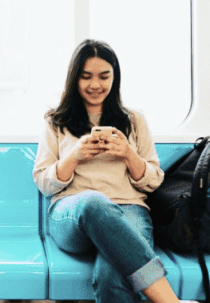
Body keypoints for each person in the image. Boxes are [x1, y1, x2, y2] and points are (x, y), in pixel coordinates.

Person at [33, 39, 179, 303]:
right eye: (86, 76)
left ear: (115, 77)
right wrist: (74, 156)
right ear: (74, 79)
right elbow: (44, 182)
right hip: (72, 215)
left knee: (113, 275)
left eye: (104, 76)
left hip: (128, 210)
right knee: (93, 201)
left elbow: (153, 181)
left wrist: (127, 154)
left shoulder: (134, 120)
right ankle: (170, 301)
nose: (95, 85)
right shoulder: (55, 121)